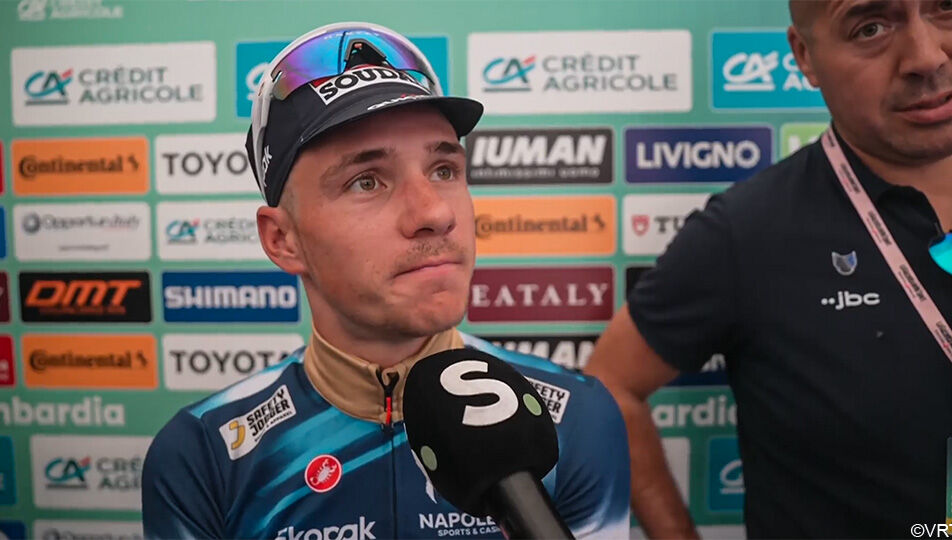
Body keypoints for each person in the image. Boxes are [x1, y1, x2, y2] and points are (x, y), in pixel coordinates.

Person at [141, 22, 629, 539]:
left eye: (443, 170)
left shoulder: (574, 420)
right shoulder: (203, 454)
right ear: (283, 240)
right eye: (367, 181)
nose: (435, 213)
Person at [585, 0, 952, 537]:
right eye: (871, 27)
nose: (926, 57)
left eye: (947, 5)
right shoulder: (745, 232)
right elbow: (611, 389)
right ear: (804, 56)